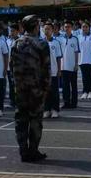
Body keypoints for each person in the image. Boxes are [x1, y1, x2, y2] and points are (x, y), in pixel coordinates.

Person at [10, 15, 51, 162]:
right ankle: (33, 151)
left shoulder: (16, 43)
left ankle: (23, 151)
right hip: (36, 89)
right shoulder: (41, 44)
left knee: (21, 121)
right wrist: (46, 89)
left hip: (20, 89)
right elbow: (46, 69)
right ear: (35, 27)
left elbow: (11, 68)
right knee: (35, 121)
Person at [43, 22, 62, 118]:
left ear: (52, 30)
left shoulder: (56, 42)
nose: (46, 31)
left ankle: (55, 109)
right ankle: (46, 109)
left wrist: (59, 70)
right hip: (44, 72)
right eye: (45, 29)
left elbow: (58, 57)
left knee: (54, 92)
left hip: (54, 71)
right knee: (45, 92)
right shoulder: (40, 42)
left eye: (48, 29)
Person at [61, 20, 80, 109]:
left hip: (72, 66)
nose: (67, 28)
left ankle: (74, 103)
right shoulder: (61, 39)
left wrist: (76, 64)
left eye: (68, 27)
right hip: (63, 67)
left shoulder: (75, 39)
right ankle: (66, 102)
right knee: (65, 86)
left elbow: (76, 52)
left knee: (74, 86)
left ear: (72, 28)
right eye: (65, 27)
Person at [78, 22, 91, 100]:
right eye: (83, 27)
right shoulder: (79, 37)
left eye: (86, 27)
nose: (84, 28)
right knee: (84, 77)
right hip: (82, 60)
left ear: (89, 28)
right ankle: (85, 91)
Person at [6, 24, 21, 108]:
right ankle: (12, 101)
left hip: (18, 67)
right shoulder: (8, 41)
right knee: (11, 84)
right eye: (10, 31)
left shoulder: (21, 41)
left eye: (13, 31)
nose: (11, 33)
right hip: (9, 67)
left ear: (17, 31)